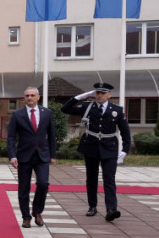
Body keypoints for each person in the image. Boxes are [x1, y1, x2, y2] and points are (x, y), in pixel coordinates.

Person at [61, 83, 131, 222]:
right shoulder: (87, 107)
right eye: (97, 92)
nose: (99, 95)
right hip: (91, 146)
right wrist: (80, 97)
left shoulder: (116, 110)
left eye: (103, 93)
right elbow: (65, 109)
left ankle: (111, 209)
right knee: (91, 178)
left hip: (109, 147)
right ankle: (92, 206)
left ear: (109, 95)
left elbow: (125, 131)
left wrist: (125, 150)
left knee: (109, 179)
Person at [7, 87, 57, 228]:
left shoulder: (46, 113)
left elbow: (52, 135)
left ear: (38, 97)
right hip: (24, 156)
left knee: (43, 183)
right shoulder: (17, 114)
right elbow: (11, 137)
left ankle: (37, 211)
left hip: (42, 155)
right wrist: (12, 155)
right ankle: (26, 217)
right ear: (24, 98)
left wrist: (53, 154)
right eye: (27, 96)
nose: (29, 98)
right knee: (24, 188)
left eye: (32, 95)